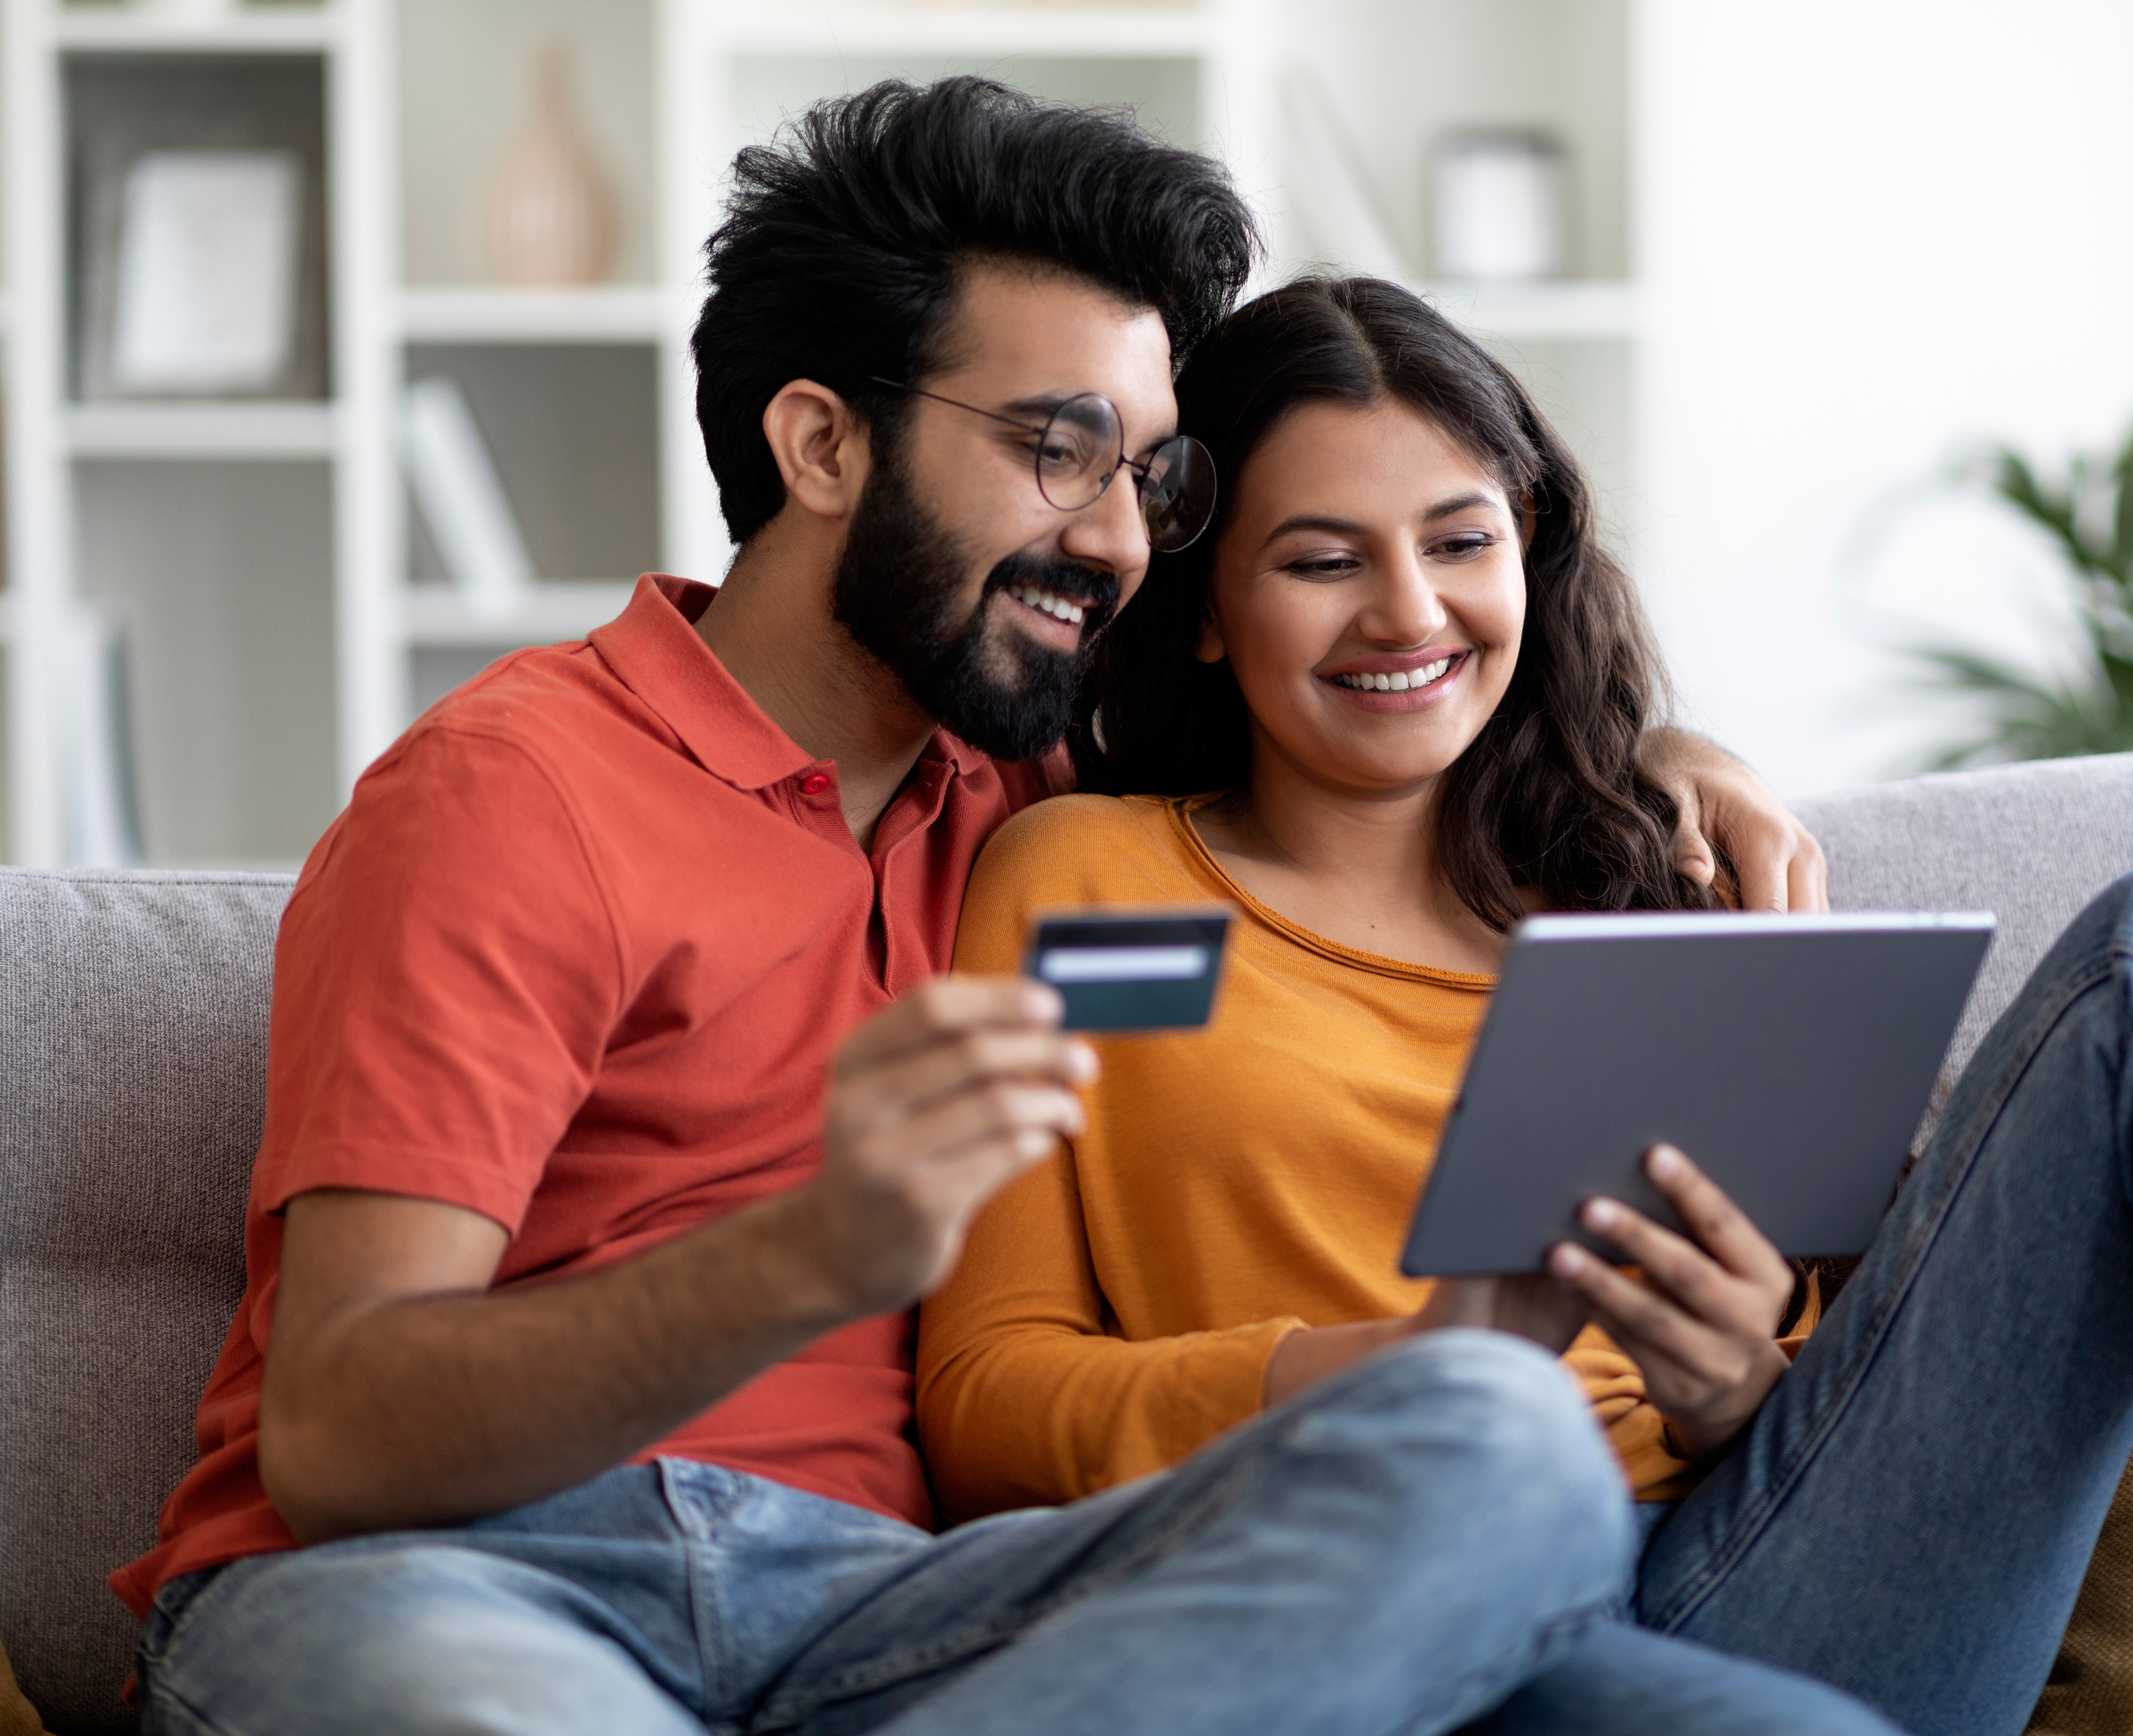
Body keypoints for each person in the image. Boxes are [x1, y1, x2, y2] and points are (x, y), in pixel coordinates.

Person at [111, 84, 1852, 1736]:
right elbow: (339, 1433)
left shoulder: (1024, 789)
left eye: (1149, 476)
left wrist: (1654, 756)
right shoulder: (515, 793)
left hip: (892, 1612)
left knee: (1500, 1444)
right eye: (1055, 450)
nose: (1117, 542)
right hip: (454, 1582)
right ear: (820, 443)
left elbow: (1370, 683)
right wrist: (815, 1256)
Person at [922, 276, 2133, 1736]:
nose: (1411, 614)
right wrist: (1381, 1377)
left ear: (1533, 553)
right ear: (1208, 610)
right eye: (1319, 560)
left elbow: (1829, 1374)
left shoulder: (1642, 873)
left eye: (1460, 541)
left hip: (1776, 1577)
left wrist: (1738, 1383)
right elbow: (988, 1401)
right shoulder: (1090, 882)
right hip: (1398, 1597)